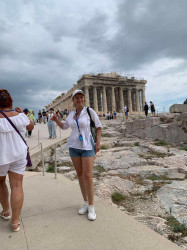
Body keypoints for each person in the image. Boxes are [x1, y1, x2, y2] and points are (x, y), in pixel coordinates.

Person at [51, 89, 102, 221]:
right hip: (74, 146)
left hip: (87, 146)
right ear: (73, 100)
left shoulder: (89, 111)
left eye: (81, 97)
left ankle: (91, 206)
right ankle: (85, 202)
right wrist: (56, 120)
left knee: (88, 175)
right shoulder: (71, 114)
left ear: (84, 99)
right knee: (79, 175)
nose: (79, 99)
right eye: (76, 98)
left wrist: (98, 143)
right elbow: (64, 127)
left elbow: (98, 126)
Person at [0, 89, 34, 232]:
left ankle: (6, 210)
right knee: (17, 185)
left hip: (1, 156)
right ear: (11, 102)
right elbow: (31, 126)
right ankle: (15, 222)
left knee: (1, 182)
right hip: (19, 155)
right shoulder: (20, 116)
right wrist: (21, 113)